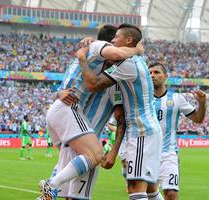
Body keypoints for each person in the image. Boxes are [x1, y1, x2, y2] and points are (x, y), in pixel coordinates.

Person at [39, 24, 142, 200]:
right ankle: (51, 185)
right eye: (114, 39)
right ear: (110, 42)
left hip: (73, 128)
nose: (115, 42)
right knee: (95, 155)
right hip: (71, 116)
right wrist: (138, 50)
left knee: (58, 194)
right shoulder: (97, 49)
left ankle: (50, 189)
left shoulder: (106, 68)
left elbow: (118, 114)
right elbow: (115, 57)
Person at [77, 23, 162, 200]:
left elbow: (93, 84)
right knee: (150, 190)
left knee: (135, 188)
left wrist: (83, 58)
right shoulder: (133, 61)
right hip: (145, 131)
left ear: (128, 40)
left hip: (142, 132)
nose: (112, 41)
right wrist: (94, 44)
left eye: (116, 38)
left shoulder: (128, 65)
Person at [147, 62, 207, 200]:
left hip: (169, 154)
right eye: (150, 73)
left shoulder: (177, 99)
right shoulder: (143, 99)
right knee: (148, 193)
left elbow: (198, 119)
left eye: (156, 72)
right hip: (147, 153)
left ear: (165, 76)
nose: (152, 75)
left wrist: (202, 103)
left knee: (171, 194)